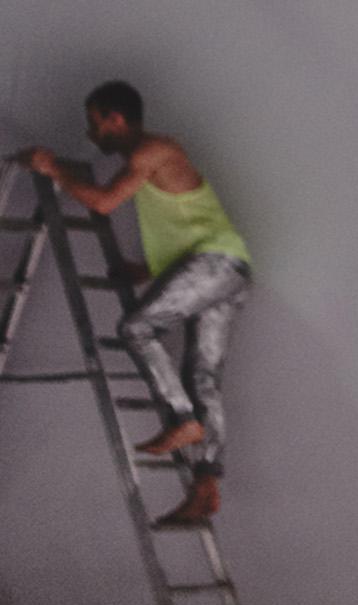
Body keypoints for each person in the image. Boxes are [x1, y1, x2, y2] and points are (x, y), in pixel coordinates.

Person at [13, 80, 252, 526]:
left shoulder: (152, 150)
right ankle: (206, 484)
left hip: (215, 264)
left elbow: (103, 203)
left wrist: (52, 168)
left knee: (137, 329)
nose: (90, 134)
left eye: (94, 123)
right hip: (228, 269)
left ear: (116, 119)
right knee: (203, 376)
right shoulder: (151, 158)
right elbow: (186, 222)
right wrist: (143, 270)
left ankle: (181, 418)